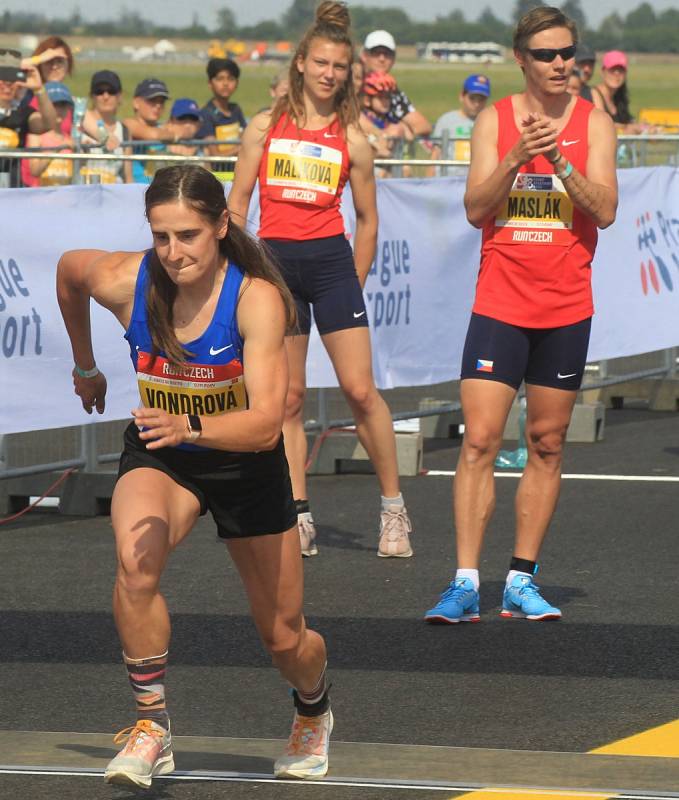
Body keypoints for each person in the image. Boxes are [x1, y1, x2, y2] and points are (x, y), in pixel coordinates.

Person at [56, 164, 332, 788]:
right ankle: (151, 725)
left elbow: (266, 425)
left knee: (285, 639)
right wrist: (85, 367)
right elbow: (70, 271)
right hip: (164, 454)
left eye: (189, 236)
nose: (174, 253)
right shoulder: (129, 280)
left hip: (245, 464)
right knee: (134, 561)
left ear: (220, 227)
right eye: (161, 236)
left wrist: (192, 425)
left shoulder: (256, 297)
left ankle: (314, 707)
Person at [424, 6, 617, 624]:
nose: (562, 64)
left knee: (547, 442)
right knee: (480, 439)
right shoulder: (494, 120)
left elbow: (606, 211)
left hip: (565, 307)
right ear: (523, 61)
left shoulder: (595, 123)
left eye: (568, 53)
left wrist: (560, 163)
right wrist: (515, 157)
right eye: (548, 55)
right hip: (501, 304)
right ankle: (464, 582)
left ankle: (521, 579)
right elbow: (476, 209)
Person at [228, 1, 414, 559]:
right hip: (275, 266)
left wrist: (352, 280)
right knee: (287, 399)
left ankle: (393, 510)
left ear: (347, 71)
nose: (330, 73)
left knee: (360, 391)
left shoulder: (353, 138)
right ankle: (299, 513)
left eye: (340, 65)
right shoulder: (264, 125)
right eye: (322, 63)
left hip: (332, 266)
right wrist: (237, 272)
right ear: (301, 63)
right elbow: (238, 202)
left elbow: (368, 221)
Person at [0, 48, 57, 187]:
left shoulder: (22, 113)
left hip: (10, 190)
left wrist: (39, 89)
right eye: (2, 77)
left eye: (13, 79)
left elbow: (48, 124)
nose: (7, 84)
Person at [361, 29, 431, 137]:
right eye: (376, 53)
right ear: (364, 56)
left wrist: (402, 130)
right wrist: (380, 134)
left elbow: (423, 126)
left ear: (393, 59)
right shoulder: (352, 84)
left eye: (387, 54)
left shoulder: (392, 91)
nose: (382, 58)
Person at [124, 78, 189, 184]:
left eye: (161, 102)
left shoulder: (165, 129)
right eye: (152, 100)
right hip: (134, 187)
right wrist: (176, 136)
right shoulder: (128, 124)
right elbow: (153, 134)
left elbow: (187, 130)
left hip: (160, 189)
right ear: (136, 103)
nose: (158, 106)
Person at [197, 57, 247, 179]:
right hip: (217, 177)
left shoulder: (236, 109)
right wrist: (242, 147)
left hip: (237, 174)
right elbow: (215, 155)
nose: (225, 83)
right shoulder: (206, 114)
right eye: (220, 79)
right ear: (210, 83)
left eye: (231, 79)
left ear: (237, 83)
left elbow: (245, 135)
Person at [80, 70, 132, 184]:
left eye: (111, 91)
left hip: (114, 194)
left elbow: (128, 177)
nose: (105, 96)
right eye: (99, 91)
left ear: (119, 96)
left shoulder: (124, 131)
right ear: (91, 96)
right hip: (85, 191)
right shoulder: (80, 123)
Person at [431, 73, 491, 169]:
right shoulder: (446, 120)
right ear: (462, 96)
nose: (476, 104)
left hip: (477, 180)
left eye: (481, 99)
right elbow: (435, 155)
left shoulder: (490, 123)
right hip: (447, 180)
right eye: (472, 98)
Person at [26, 81, 74, 186]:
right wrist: (55, 151)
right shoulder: (36, 136)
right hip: (42, 195)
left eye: (63, 105)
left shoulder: (69, 139)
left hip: (66, 195)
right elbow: (34, 170)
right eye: (54, 105)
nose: (59, 110)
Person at [591, 50, 635, 130]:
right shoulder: (594, 93)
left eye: (620, 70)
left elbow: (629, 121)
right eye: (612, 69)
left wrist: (644, 127)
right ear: (603, 72)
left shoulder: (620, 98)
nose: (616, 74)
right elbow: (601, 125)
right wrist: (626, 128)